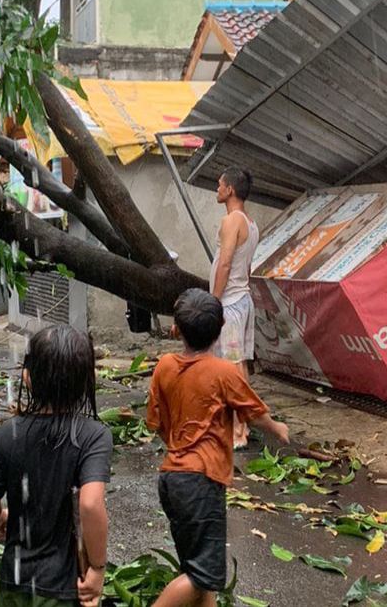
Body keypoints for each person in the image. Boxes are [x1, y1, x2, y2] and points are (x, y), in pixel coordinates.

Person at [148, 289, 290, 607]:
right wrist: (277, 428)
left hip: (171, 478)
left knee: (198, 567)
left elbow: (156, 422)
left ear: (176, 330)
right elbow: (253, 411)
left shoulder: (164, 366)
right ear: (222, 326)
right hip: (201, 481)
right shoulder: (224, 371)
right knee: (203, 576)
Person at [0, 325, 111, 607]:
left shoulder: (6, 434)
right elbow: (90, 504)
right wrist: (97, 568)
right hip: (61, 584)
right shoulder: (92, 436)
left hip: (13, 578)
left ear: (27, 378)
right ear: (87, 381)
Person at [210, 166, 260, 449]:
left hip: (230, 303)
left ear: (230, 190)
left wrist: (213, 302)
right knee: (238, 364)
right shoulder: (250, 223)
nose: (217, 189)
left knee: (232, 366)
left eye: (219, 185)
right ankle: (242, 424)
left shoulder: (232, 221)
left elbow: (226, 263)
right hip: (242, 299)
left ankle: (238, 429)